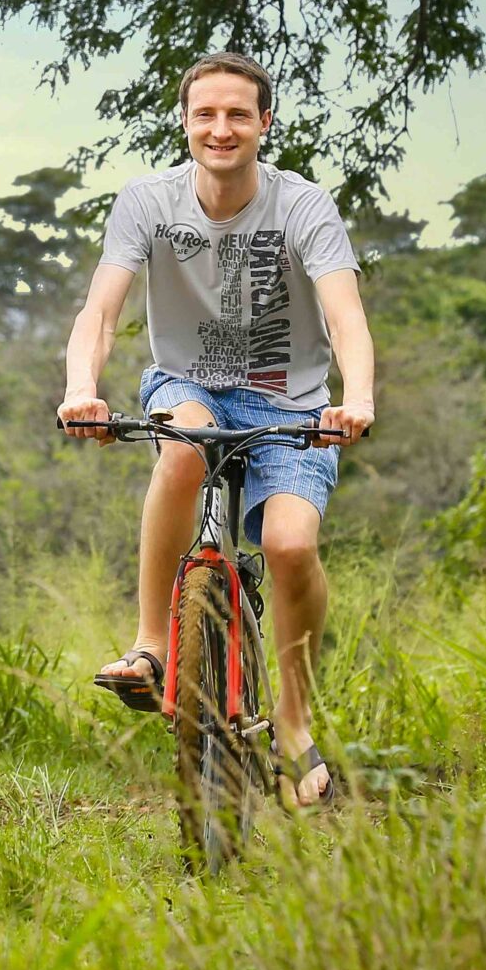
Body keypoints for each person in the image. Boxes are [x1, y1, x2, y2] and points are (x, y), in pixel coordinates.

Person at [56, 53, 375, 808]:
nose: (220, 128)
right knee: (184, 452)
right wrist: (81, 389)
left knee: (292, 546)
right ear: (185, 121)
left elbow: (344, 313)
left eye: (237, 114)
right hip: (187, 383)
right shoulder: (147, 200)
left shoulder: (303, 206)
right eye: (206, 114)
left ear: (265, 123)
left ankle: (294, 726)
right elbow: (100, 312)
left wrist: (355, 397)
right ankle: (152, 643)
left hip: (290, 405)